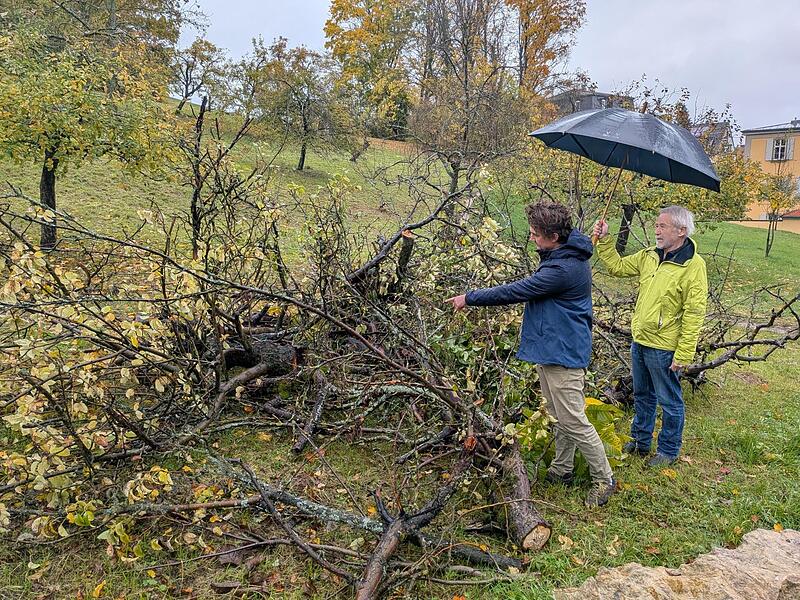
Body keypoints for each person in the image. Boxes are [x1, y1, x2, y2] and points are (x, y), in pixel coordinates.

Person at [446, 201, 615, 508]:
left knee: (574, 420)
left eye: (537, 234)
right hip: (553, 347)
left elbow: (517, 290)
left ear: (553, 235)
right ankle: (562, 470)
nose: (533, 238)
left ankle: (604, 479)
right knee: (559, 414)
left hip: (563, 353)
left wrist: (469, 298)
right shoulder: (564, 252)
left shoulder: (563, 268)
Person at [593, 206, 708, 467]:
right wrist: (605, 239)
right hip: (640, 340)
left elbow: (695, 311)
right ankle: (640, 441)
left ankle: (668, 451)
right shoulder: (648, 256)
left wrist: (684, 353)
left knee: (670, 401)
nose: (657, 230)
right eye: (656, 225)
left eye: (663, 226)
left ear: (681, 231)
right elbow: (617, 267)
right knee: (643, 395)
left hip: (665, 347)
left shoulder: (693, 265)